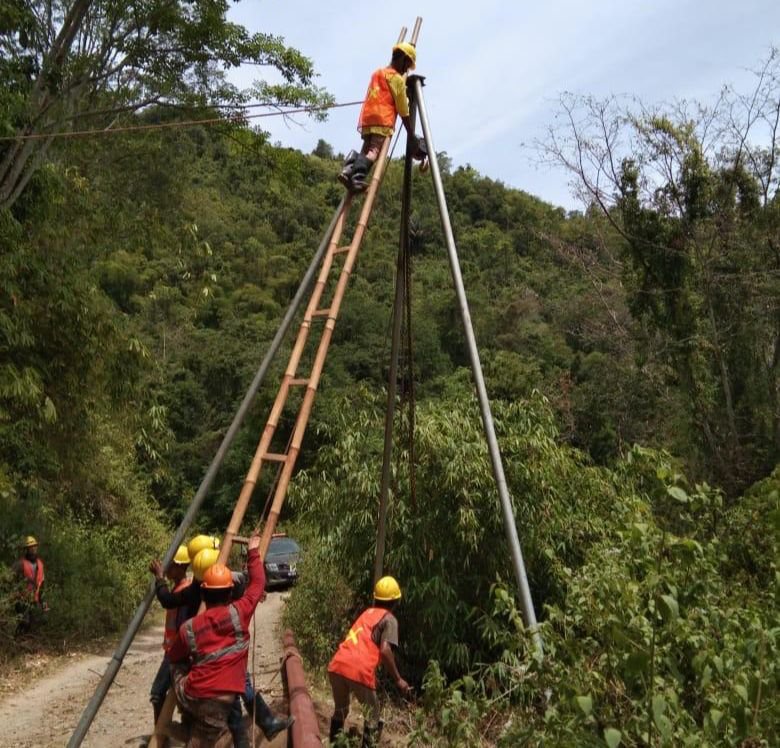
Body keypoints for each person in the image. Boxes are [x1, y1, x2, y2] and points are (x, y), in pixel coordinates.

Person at [167, 532, 292, 747]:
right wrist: (254, 551)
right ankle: (187, 729)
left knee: (177, 667)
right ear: (229, 592)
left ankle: (182, 723)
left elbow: (174, 656)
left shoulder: (189, 628)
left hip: (192, 693)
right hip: (221, 698)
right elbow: (258, 582)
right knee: (232, 691)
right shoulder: (238, 613)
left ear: (203, 594)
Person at [327, 576, 412, 747]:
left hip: (337, 665)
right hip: (358, 671)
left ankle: (333, 745)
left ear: (376, 597)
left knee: (340, 711)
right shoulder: (390, 619)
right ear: (396, 600)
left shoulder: (367, 613)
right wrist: (398, 680)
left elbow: (363, 643)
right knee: (373, 716)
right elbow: (385, 650)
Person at [339, 42, 425, 192]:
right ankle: (357, 177)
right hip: (382, 119)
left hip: (367, 118)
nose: (406, 70)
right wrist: (411, 134)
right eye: (407, 65)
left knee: (366, 149)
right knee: (374, 152)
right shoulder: (397, 79)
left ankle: (348, 169)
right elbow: (403, 109)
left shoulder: (377, 73)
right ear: (403, 59)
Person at [148, 544, 195, 747]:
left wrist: (159, 578)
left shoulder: (184, 590)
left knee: (158, 693)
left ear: (180, 566)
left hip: (176, 653)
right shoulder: (180, 587)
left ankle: (162, 738)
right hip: (173, 650)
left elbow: (166, 600)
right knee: (183, 697)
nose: (167, 568)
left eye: (171, 565)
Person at [13, 536, 47, 633]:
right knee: (25, 622)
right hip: (22, 600)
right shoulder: (20, 564)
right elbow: (9, 579)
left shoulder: (40, 564)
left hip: (34, 600)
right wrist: (15, 593)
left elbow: (42, 585)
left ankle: (26, 641)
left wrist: (43, 602)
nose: (33, 550)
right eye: (30, 548)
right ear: (26, 550)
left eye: (34, 547)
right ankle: (17, 639)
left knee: (40, 621)